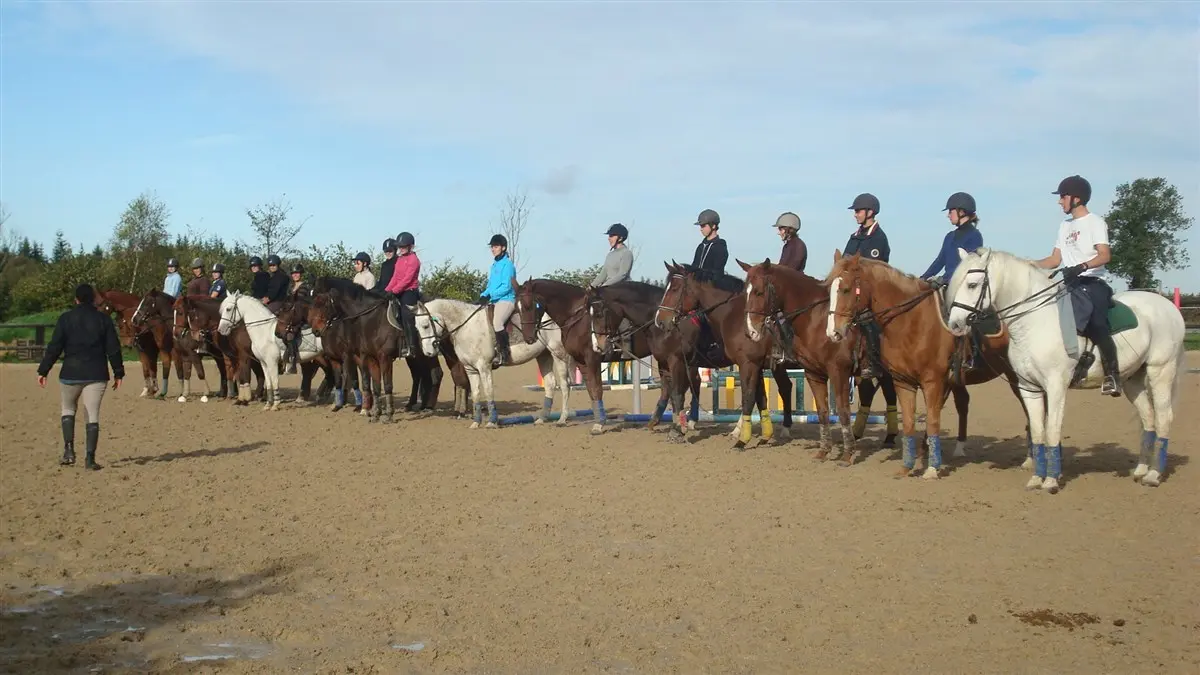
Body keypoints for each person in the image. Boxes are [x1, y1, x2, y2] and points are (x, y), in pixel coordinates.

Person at [1035, 174, 1121, 396]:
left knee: (1097, 323)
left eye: (1062, 197)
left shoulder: (1095, 222)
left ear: (1076, 198)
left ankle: (1113, 374)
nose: (1059, 201)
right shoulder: (1064, 226)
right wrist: (1027, 265)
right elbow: (1054, 260)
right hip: (1069, 283)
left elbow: (1105, 255)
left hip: (1093, 282)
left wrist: (1082, 266)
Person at [36, 284, 124, 470]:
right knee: (92, 415)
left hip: (71, 373)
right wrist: (118, 372)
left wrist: (44, 370)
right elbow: (113, 348)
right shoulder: (103, 320)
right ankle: (90, 459)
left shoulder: (66, 319)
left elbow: (54, 347)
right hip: (96, 374)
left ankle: (69, 452)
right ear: (93, 299)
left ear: (76, 299)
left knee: (68, 409)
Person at [842, 192, 899, 443]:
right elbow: (845, 264)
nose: (855, 214)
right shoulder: (854, 238)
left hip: (872, 297)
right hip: (853, 298)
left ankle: (873, 363)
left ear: (870, 212)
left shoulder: (879, 238)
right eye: (855, 211)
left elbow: (872, 271)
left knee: (873, 328)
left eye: (858, 211)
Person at [590, 223, 635, 358]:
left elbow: (622, 274)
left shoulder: (626, 253)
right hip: (608, 291)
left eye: (611, 236)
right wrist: (591, 287)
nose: (609, 238)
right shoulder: (610, 255)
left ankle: (627, 348)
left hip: (622, 290)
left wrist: (605, 286)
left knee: (622, 316)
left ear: (620, 238)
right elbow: (603, 274)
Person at [921, 192, 984, 286]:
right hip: (946, 284)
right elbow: (939, 261)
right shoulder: (949, 236)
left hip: (962, 287)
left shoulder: (975, 236)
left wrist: (945, 279)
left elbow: (968, 265)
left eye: (950, 211)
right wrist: (922, 279)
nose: (948, 215)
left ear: (961, 212)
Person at [772, 212, 807, 360]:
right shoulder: (787, 246)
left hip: (795, 289)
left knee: (783, 317)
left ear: (789, 229)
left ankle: (789, 349)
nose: (778, 232)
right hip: (785, 288)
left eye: (780, 229)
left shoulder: (799, 246)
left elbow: (791, 269)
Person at [479, 234, 517, 366]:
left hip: (507, 299)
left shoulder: (508, 265)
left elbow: (507, 286)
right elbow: (490, 285)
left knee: (497, 322)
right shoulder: (494, 265)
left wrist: (491, 295)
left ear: (503, 248)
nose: (492, 249)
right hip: (495, 300)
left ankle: (504, 353)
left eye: (495, 247)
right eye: (492, 247)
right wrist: (483, 295)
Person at [384, 232, 421, 358]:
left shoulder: (414, 260)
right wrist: (387, 291)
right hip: (398, 290)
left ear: (411, 246)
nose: (401, 249)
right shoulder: (399, 260)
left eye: (404, 246)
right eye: (400, 246)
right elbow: (395, 277)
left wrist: (394, 291)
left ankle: (412, 346)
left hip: (409, 291)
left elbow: (407, 279)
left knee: (406, 315)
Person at [691, 208, 728, 275]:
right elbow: (694, 267)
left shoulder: (720, 247)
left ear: (713, 226)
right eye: (700, 226)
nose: (701, 229)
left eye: (703, 226)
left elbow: (717, 272)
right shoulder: (700, 247)